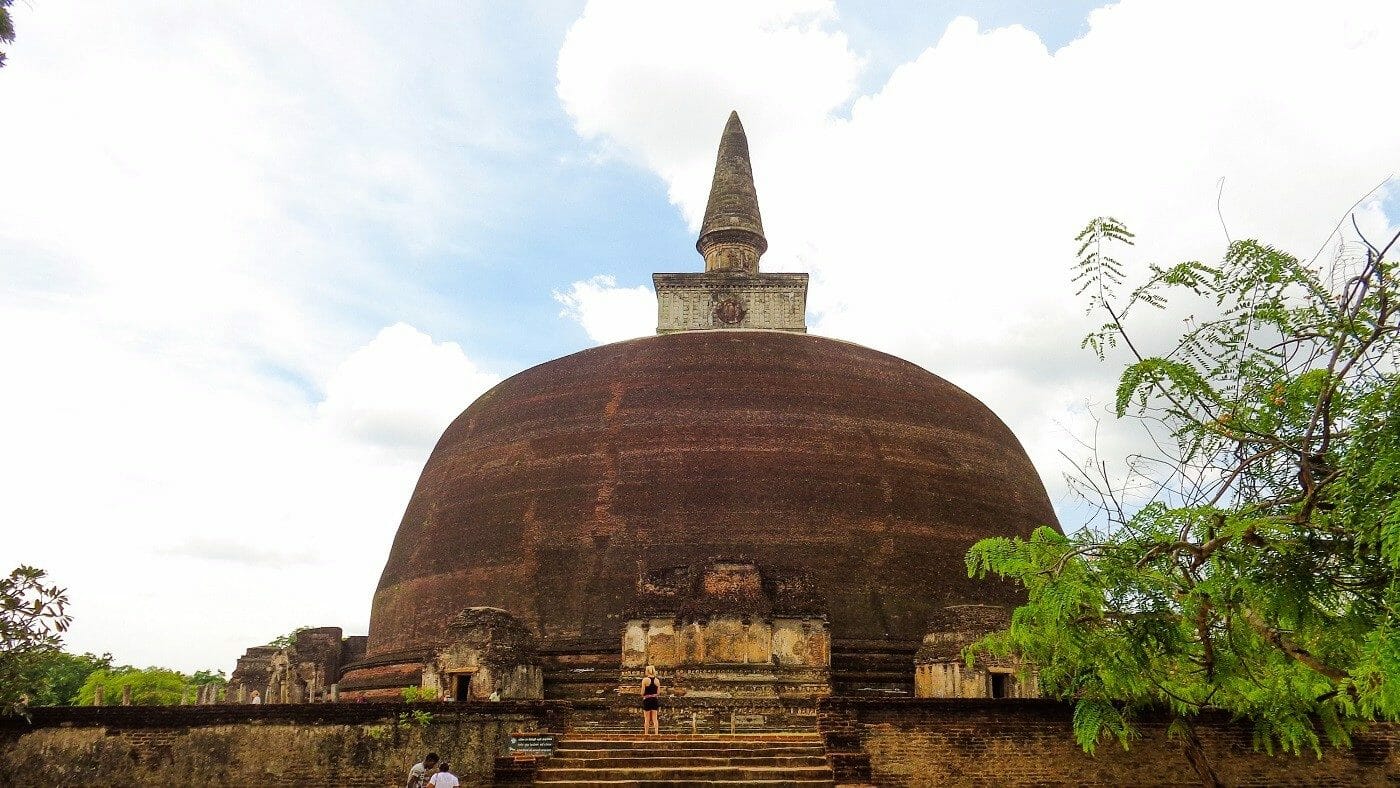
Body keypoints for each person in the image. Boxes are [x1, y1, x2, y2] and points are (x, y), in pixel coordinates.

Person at [640, 664, 661, 735]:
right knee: (655, 718)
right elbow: (658, 692)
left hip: (647, 699)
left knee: (647, 718)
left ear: (647, 671)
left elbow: (642, 692)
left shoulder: (645, 680)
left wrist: (645, 694)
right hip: (654, 699)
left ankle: (646, 733)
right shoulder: (657, 681)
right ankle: (656, 733)